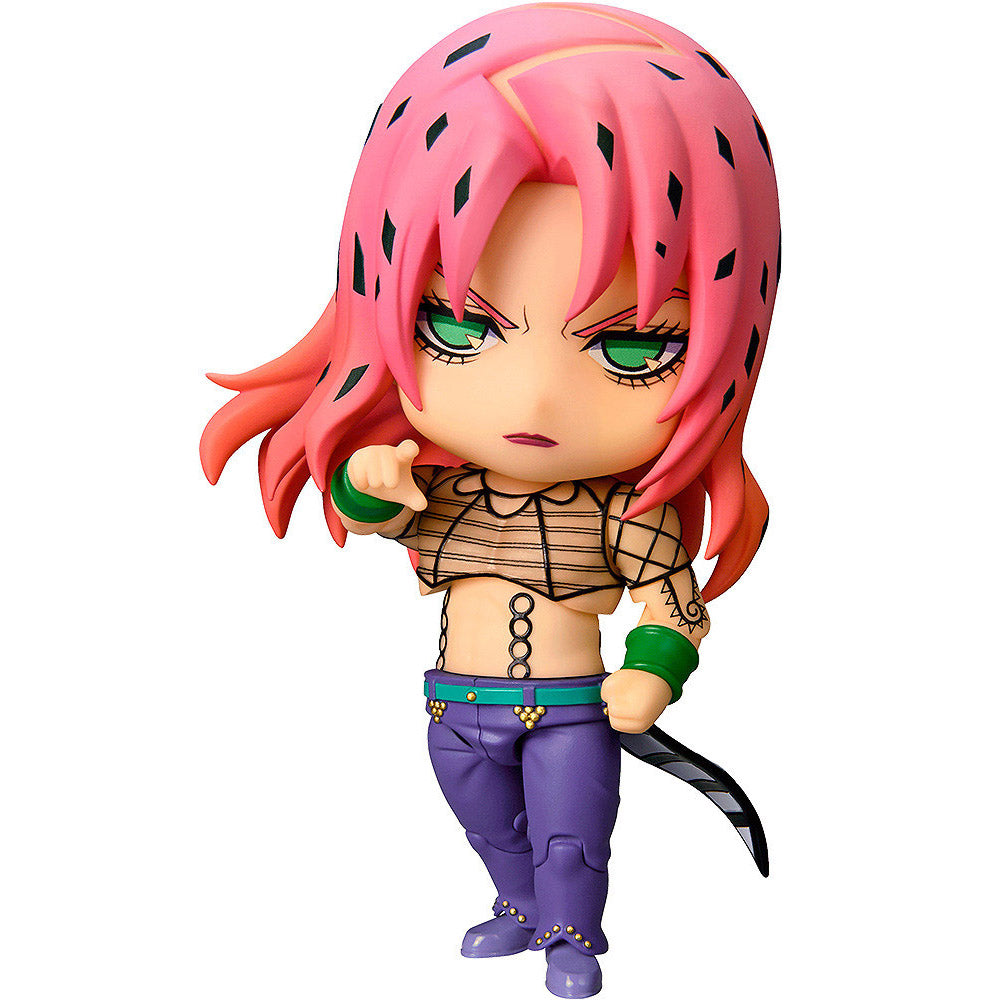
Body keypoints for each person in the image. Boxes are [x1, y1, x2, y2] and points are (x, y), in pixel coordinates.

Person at [201, 6, 779, 997]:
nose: (535, 401)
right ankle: (516, 905)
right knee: (488, 823)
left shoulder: (621, 514)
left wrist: (654, 673)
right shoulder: (450, 487)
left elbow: (675, 604)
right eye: (458, 328)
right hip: (454, 704)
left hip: (570, 711)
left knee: (572, 836)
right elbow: (386, 516)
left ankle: (571, 934)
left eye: (634, 345)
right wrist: (367, 487)